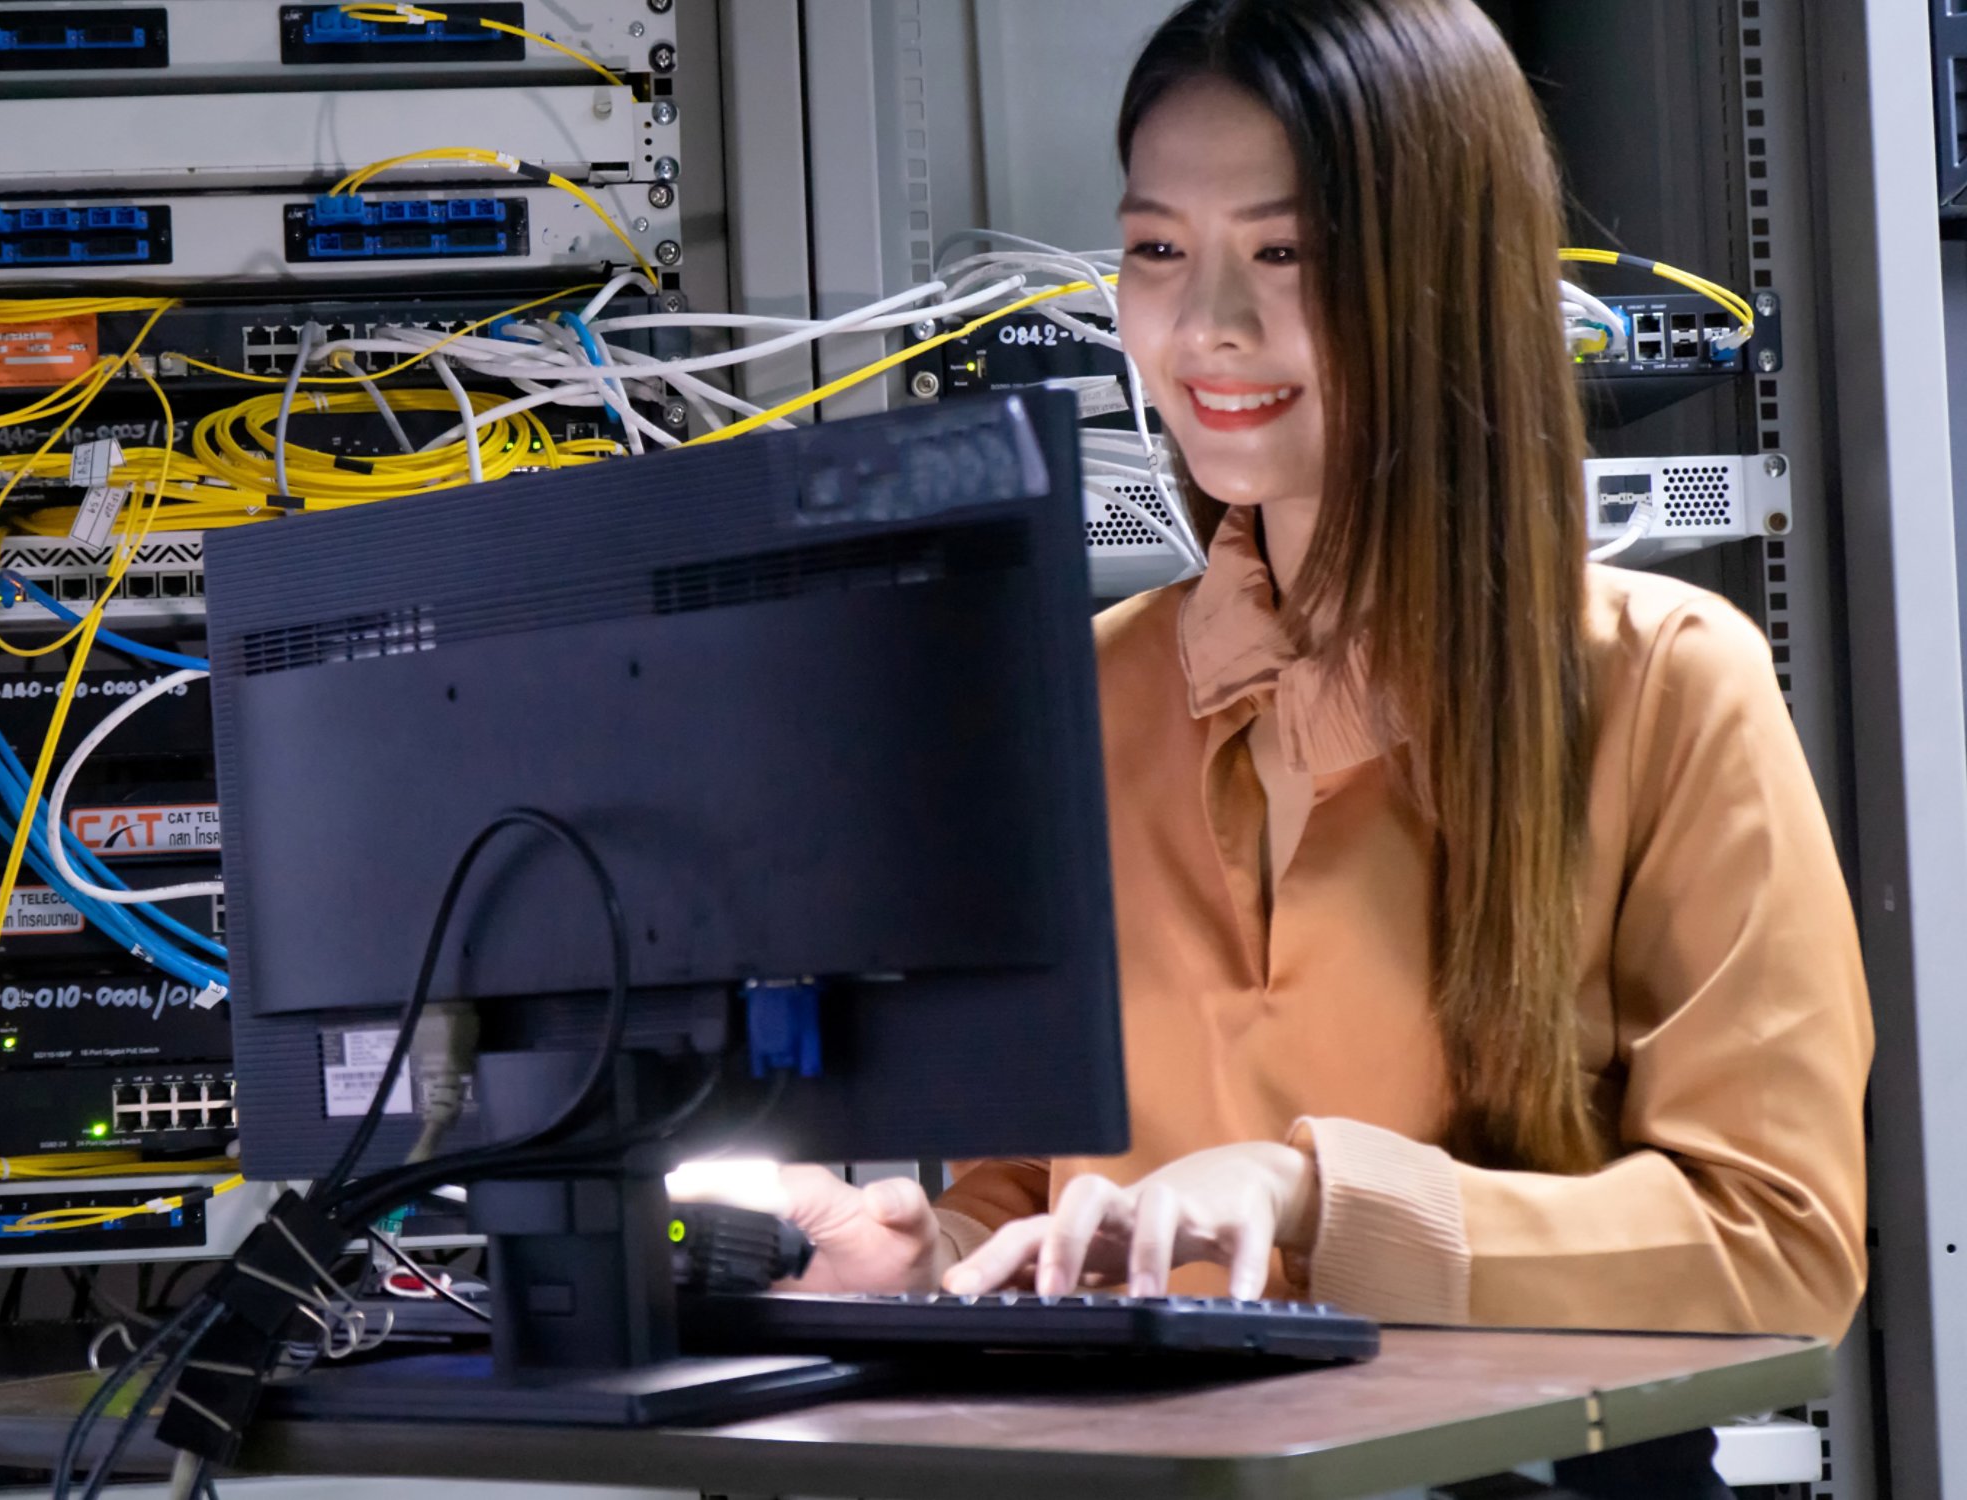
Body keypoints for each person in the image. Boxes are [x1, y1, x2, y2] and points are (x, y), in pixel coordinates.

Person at [764, 0, 1872, 1492]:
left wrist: (1311, 1196)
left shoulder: (1669, 684)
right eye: (1157, 247)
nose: (1207, 322)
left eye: (1285, 254)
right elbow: (1036, 1194)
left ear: (1444, 278)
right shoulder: (1078, 699)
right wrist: (933, 1259)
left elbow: (1782, 1247)